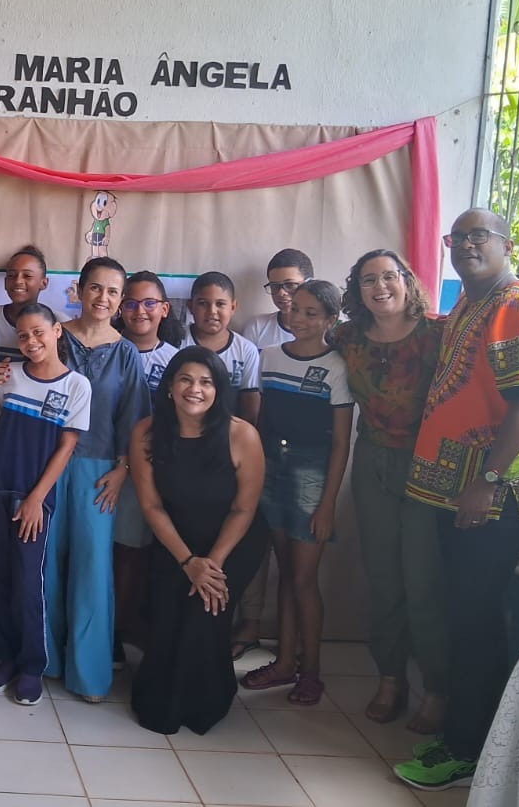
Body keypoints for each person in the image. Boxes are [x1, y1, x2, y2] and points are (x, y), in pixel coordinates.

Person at [394, 209, 519, 792]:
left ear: (507, 243)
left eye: (478, 236)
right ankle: (469, 739)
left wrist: (486, 483)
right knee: (467, 616)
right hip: (459, 491)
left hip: (495, 497)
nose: (466, 245)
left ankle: (467, 751)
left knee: (475, 620)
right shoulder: (471, 303)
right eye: (457, 237)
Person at [330, 249, 450, 733]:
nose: (380, 287)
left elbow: (481, 386)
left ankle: (438, 687)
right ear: (356, 291)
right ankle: (390, 677)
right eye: (367, 281)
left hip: (427, 466)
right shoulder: (347, 337)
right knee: (383, 579)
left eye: (388, 277)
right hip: (372, 462)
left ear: (407, 281)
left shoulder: (438, 335)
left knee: (422, 582)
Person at [128, 347, 269, 734]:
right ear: (170, 387)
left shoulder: (242, 435)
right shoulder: (146, 432)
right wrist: (189, 561)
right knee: (168, 616)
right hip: (176, 540)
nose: (195, 389)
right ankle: (162, 701)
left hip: (232, 543)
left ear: (219, 390)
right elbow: (152, 506)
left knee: (203, 613)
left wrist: (211, 565)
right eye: (186, 380)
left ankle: (207, 702)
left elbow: (244, 510)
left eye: (206, 382)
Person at [237, 281, 353, 706]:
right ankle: (284, 663)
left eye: (311, 313)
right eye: (296, 310)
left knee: (304, 579)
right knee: (282, 573)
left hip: (311, 477)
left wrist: (327, 505)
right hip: (270, 471)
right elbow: (257, 421)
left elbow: (341, 443)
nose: (299, 319)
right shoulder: (266, 359)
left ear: (330, 320)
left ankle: (312, 672)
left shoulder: (338, 367)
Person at [0, 303, 89, 705]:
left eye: (39, 332)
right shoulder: (10, 376)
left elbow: (67, 446)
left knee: (28, 581)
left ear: (57, 331)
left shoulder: (76, 386)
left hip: (34, 497)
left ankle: (31, 665)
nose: (31, 341)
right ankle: (4, 657)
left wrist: (38, 497)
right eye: (23, 336)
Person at [232, 249, 314, 662]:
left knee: (298, 550)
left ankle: (294, 638)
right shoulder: (256, 329)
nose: (283, 294)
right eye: (276, 286)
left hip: (308, 455)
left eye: (291, 284)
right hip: (262, 447)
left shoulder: (329, 333)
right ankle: (250, 623)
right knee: (256, 539)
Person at [113, 270, 183, 654]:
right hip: (104, 466)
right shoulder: (106, 350)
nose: (140, 310)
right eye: (131, 302)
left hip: (151, 474)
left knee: (132, 553)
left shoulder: (176, 362)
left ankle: (118, 632)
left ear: (164, 309)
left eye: (149, 302)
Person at [181, 272, 262, 423]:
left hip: (227, 434)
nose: (212, 311)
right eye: (203, 303)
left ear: (233, 307)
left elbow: (250, 409)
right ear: (191, 307)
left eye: (220, 304)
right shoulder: (177, 340)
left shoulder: (246, 350)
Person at [0, 246, 51, 364]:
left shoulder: (56, 322)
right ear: (5, 282)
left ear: (44, 283)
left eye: (27, 276)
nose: (18, 281)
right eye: (11, 276)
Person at [240, 248, 314, 349]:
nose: (281, 293)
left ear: (309, 283)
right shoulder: (258, 327)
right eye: (274, 286)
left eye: (290, 285)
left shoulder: (326, 330)